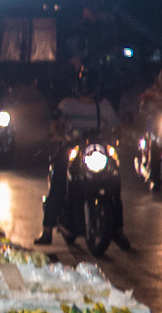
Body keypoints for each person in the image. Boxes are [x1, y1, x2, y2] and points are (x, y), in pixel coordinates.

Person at [37, 73, 126, 247]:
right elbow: (56, 124)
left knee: (115, 183)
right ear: (76, 88)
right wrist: (58, 132)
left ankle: (118, 230)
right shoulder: (67, 105)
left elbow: (117, 127)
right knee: (59, 182)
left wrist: (118, 136)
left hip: (98, 151)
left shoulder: (104, 107)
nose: (86, 92)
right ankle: (47, 230)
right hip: (73, 149)